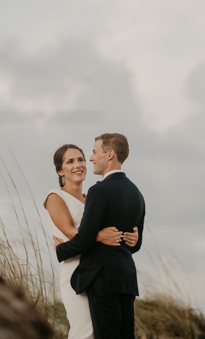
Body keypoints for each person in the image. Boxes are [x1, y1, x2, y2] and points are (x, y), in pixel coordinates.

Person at [54, 134, 145, 339]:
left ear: (110, 154)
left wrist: (61, 249)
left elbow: (86, 239)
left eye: (94, 153)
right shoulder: (136, 193)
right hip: (127, 279)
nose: (91, 159)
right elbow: (135, 243)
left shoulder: (99, 191)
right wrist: (132, 239)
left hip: (102, 278)